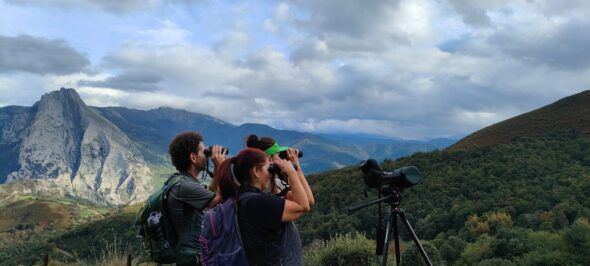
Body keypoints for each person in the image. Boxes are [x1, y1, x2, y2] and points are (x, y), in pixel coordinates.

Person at [215, 148, 312, 265]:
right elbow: (303, 205)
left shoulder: (246, 197)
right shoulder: (257, 202)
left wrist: (277, 176)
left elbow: (302, 198)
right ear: (256, 170)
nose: (271, 168)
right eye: (268, 166)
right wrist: (292, 172)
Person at [165, 131, 224, 266]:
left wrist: (217, 171)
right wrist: (220, 168)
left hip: (190, 253)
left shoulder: (182, 181)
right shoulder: (185, 185)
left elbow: (208, 196)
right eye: (205, 152)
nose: (208, 156)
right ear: (193, 157)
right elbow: (218, 200)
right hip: (191, 256)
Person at [245, 134, 314, 205]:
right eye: (278, 155)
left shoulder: (275, 180)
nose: (281, 158)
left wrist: (289, 171)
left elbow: (307, 200)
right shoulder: (269, 184)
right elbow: (308, 201)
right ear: (269, 158)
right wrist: (296, 168)